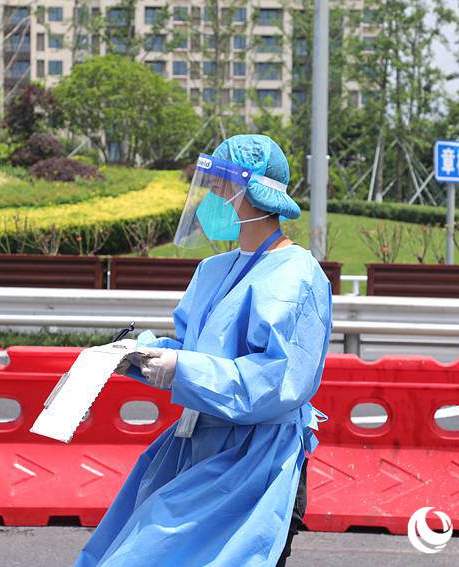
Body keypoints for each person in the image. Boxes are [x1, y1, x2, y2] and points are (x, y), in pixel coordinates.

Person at [74, 134, 333, 566]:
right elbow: (191, 348)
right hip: (195, 444)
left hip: (256, 457)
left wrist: (182, 368)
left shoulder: (297, 276)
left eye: (221, 184)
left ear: (253, 191)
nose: (212, 194)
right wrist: (138, 354)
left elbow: (276, 382)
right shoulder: (214, 269)